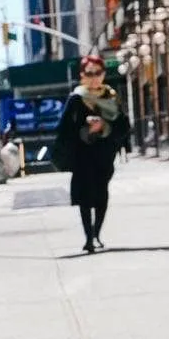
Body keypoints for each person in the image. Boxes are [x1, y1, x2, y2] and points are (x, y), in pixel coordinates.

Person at [53, 54, 129, 252]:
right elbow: (63, 128)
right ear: (82, 76)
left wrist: (104, 126)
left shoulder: (111, 96)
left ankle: (97, 233)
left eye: (98, 73)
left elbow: (123, 126)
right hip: (82, 154)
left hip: (104, 154)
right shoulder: (76, 98)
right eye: (89, 73)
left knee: (101, 195)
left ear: (103, 74)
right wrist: (84, 128)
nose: (94, 77)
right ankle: (88, 238)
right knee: (85, 198)